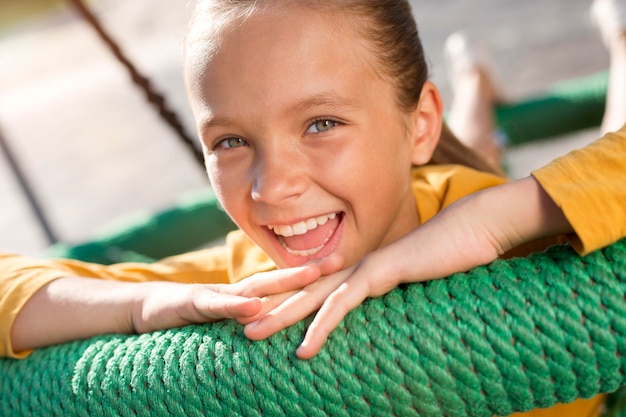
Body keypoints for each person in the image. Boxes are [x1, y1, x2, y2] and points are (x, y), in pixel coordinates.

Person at [0, 3, 624, 415]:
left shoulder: (506, 229)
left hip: (459, 186)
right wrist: (139, 307)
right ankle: (477, 86)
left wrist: (491, 221)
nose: (272, 188)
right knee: (472, 157)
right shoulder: (244, 280)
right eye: (231, 141)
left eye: (321, 123)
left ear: (417, 123)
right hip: (429, 167)